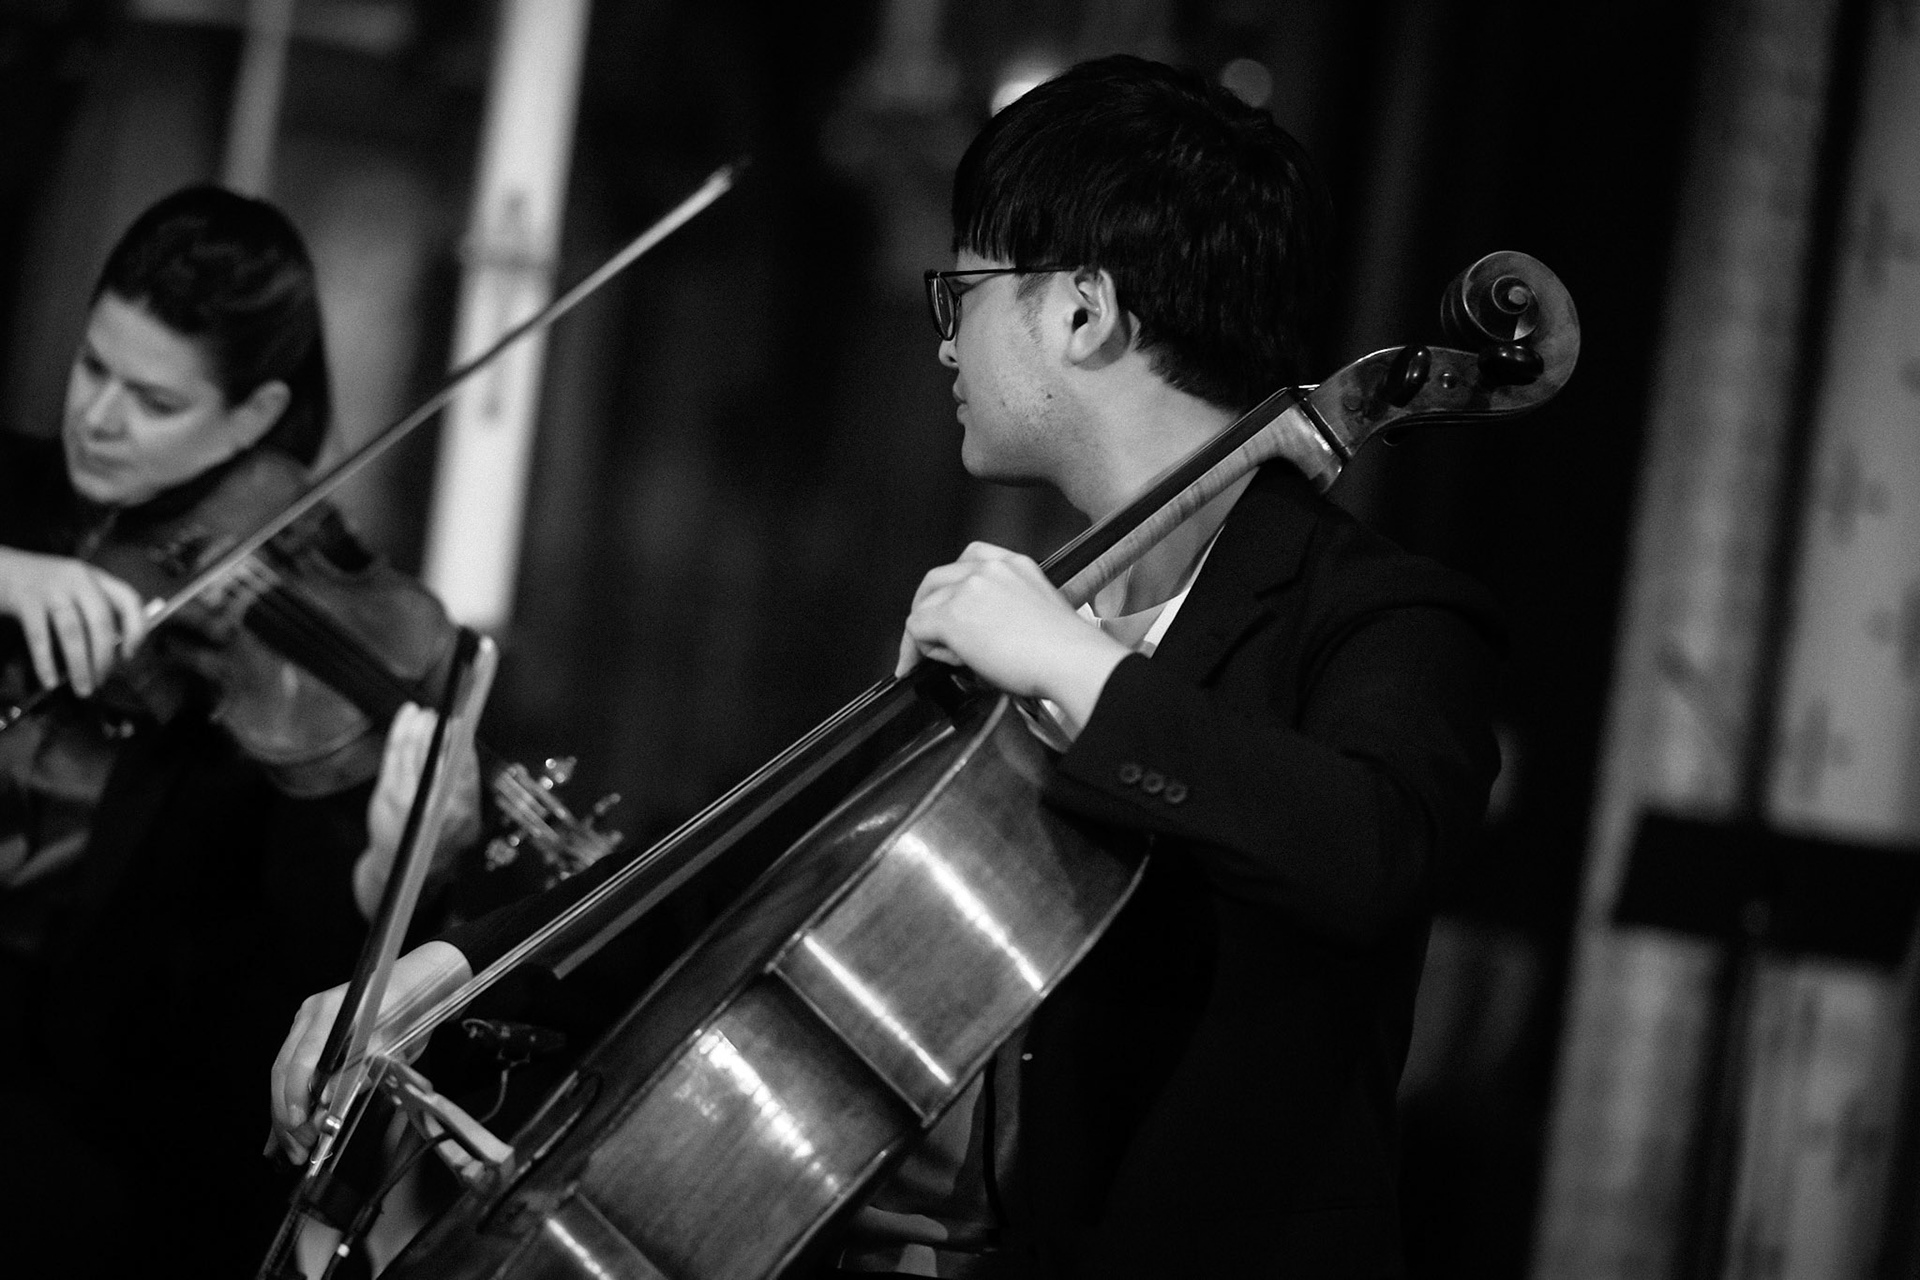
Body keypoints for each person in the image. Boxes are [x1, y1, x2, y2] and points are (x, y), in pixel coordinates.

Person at [271, 55, 1502, 1278]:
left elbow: (1372, 847)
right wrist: (465, 968)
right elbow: (750, 859)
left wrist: (1078, 666)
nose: (944, 338)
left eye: (961, 290)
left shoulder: (1375, 617)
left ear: (1083, 310)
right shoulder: (1041, 604)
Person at [0, 185, 473, 1278]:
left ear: (257, 416)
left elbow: (280, 977)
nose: (98, 417)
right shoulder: (20, 500)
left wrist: (400, 870)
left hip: (90, 1138)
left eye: (153, 400)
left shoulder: (288, 666)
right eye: (92, 368)